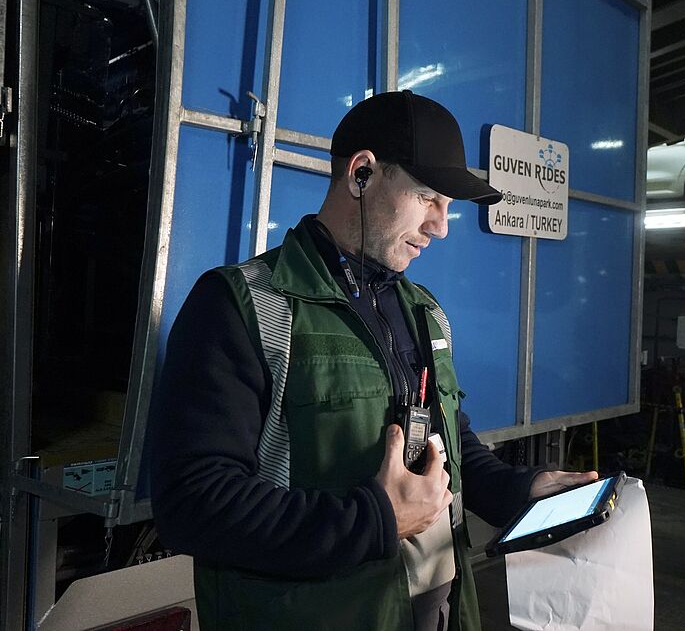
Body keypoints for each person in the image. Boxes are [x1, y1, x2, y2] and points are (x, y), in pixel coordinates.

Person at [150, 90, 597, 631]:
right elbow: (193, 503)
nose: (442, 226)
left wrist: (518, 492)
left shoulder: (424, 312)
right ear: (362, 173)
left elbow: (447, 444)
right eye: (429, 197)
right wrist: (374, 520)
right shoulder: (243, 306)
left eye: (448, 206)